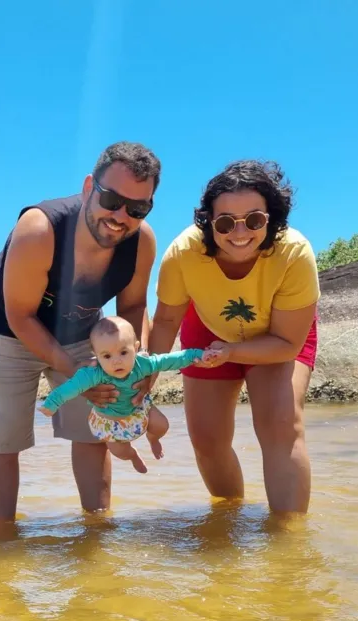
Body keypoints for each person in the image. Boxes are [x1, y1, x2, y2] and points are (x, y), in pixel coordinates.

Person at [0, 141, 162, 522]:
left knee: (93, 432)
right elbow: (21, 315)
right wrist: (77, 377)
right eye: (111, 199)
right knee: (2, 440)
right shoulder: (39, 229)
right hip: (8, 326)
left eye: (137, 208)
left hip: (82, 329)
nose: (121, 216)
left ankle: (97, 531)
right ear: (90, 186)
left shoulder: (141, 242)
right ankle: (2, 542)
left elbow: (133, 308)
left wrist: (142, 360)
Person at [148, 159, 320, 514]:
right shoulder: (183, 253)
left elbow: (288, 343)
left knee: (280, 426)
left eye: (254, 220)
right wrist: (141, 381)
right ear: (209, 222)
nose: (239, 233)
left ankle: (288, 545)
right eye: (225, 222)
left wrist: (234, 351)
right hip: (207, 327)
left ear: (271, 217)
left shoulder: (294, 253)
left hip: (278, 334)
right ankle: (228, 519)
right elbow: (165, 320)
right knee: (207, 440)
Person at [38, 315, 214, 473]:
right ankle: (133, 456)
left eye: (123, 352)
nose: (116, 361)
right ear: (96, 356)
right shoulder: (92, 373)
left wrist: (198, 355)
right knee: (120, 452)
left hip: (139, 410)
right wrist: (51, 404)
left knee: (162, 425)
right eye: (106, 356)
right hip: (108, 423)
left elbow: (172, 359)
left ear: (135, 348)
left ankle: (153, 439)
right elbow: (70, 388)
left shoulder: (143, 364)